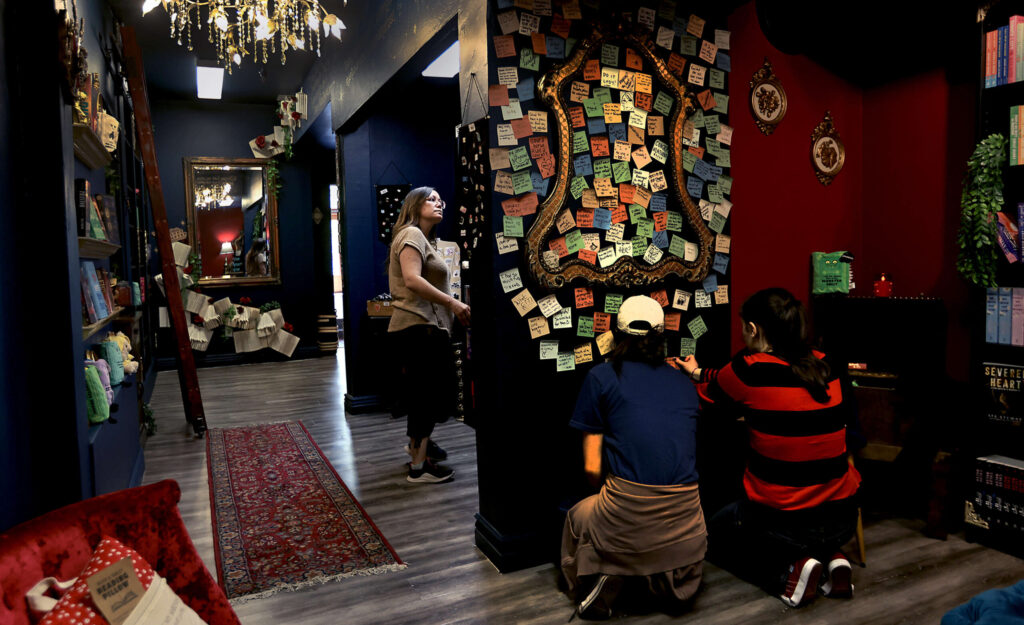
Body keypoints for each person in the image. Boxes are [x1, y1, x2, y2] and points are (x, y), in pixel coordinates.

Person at [672, 287, 862, 608]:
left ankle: (790, 573)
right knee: (806, 504)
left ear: (754, 330)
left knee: (716, 535)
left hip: (787, 520)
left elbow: (710, 394)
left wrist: (691, 376)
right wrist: (699, 371)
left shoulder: (750, 368)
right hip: (842, 515)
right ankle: (834, 560)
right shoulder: (826, 364)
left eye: (743, 325)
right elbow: (722, 379)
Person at [561, 295, 707, 620]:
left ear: (616, 335)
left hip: (628, 510)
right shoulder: (684, 383)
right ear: (661, 337)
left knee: (578, 514)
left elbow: (591, 466)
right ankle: (659, 579)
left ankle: (609, 570)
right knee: (655, 530)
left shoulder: (601, 376)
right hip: (689, 518)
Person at [387, 186, 470, 484]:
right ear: (414, 204)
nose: (439, 204)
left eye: (441, 199)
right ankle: (418, 468)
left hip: (425, 327)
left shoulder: (424, 239)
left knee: (425, 395)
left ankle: (417, 450)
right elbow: (411, 280)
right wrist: (453, 302)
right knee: (428, 396)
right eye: (431, 199)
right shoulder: (411, 235)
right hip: (418, 327)